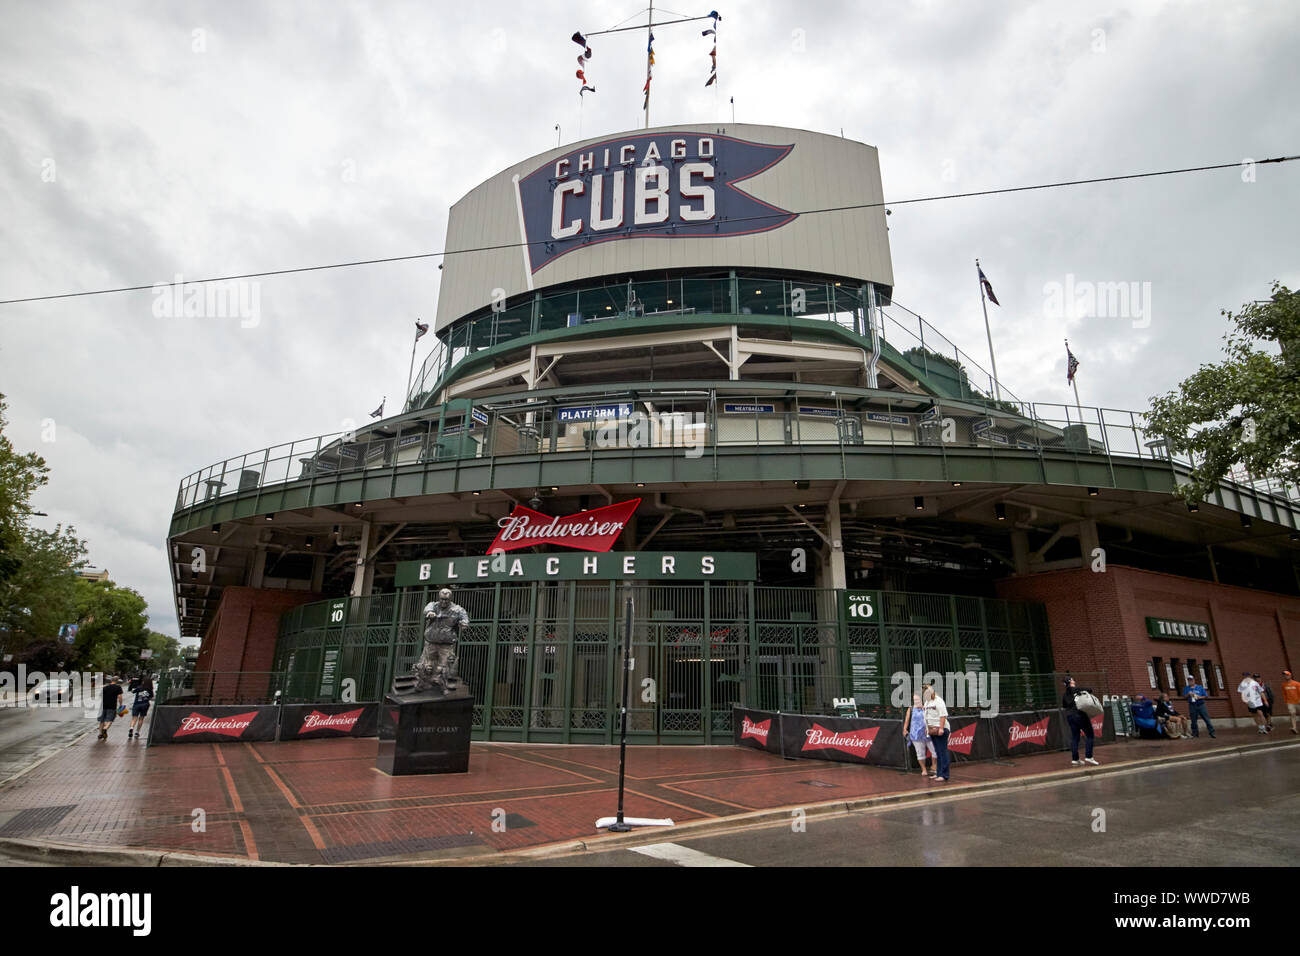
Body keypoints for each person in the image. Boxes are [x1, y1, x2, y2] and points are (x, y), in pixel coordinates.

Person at [413, 587, 469, 692]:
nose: (443, 601)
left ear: (450, 599)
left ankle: (443, 687)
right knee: (426, 665)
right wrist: (430, 613)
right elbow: (426, 609)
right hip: (431, 642)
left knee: (445, 667)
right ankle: (421, 685)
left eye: (446, 600)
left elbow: (465, 618)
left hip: (446, 645)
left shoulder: (457, 610)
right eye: (442, 599)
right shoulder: (433, 605)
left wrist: (464, 623)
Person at [1062, 676, 1099, 765]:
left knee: (1075, 737)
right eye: (1073, 679)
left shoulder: (1064, 694)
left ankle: (1075, 759)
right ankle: (1089, 756)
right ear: (1070, 681)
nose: (1074, 681)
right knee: (1090, 735)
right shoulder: (1075, 689)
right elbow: (1089, 690)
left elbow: (1064, 705)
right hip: (1079, 715)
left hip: (1070, 716)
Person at [903, 692, 937, 777]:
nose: (916, 701)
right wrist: (904, 729)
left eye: (918, 699)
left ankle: (934, 766)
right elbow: (907, 720)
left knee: (935, 750)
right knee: (920, 753)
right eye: (914, 699)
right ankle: (924, 769)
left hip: (928, 733)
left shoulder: (927, 707)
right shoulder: (910, 709)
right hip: (916, 735)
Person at [922, 684, 951, 782]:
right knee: (937, 752)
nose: (925, 694)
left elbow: (943, 715)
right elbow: (926, 716)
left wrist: (941, 728)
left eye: (927, 692)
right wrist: (927, 728)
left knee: (942, 752)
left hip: (940, 729)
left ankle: (944, 775)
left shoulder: (939, 701)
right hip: (932, 730)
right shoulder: (926, 702)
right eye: (924, 693)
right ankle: (938, 773)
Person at [1180, 673, 1216, 738]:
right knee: (1193, 720)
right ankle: (1195, 733)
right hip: (1192, 705)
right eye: (1189, 680)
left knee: (1206, 719)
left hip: (1201, 704)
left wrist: (1200, 697)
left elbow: (1206, 696)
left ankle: (1212, 732)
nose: (1190, 681)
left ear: (1194, 680)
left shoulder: (1200, 687)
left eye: (1191, 680)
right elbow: (1184, 697)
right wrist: (1188, 694)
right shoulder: (1186, 688)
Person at [97, 676, 123, 741]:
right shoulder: (118, 687)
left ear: (111, 680)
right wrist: (120, 705)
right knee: (110, 719)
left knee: (102, 720)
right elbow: (119, 696)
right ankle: (105, 729)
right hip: (112, 706)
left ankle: (100, 734)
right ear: (117, 681)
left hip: (103, 705)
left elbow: (100, 696)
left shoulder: (105, 687)